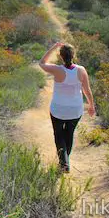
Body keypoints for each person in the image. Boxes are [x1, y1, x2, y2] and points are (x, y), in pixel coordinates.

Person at [39, 42, 95, 173]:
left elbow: (42, 63)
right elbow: (87, 90)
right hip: (75, 110)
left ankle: (63, 163)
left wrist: (53, 47)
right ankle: (65, 162)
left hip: (58, 109)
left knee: (59, 135)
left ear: (61, 56)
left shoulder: (57, 69)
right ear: (73, 55)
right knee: (69, 134)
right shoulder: (81, 70)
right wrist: (91, 105)